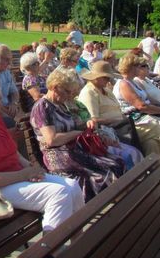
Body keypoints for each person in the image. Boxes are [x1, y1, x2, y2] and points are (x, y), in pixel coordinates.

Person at [0, 71, 84, 232]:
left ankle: (78, 241)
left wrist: (32, 168)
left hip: (15, 179)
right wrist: (23, 175)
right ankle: (50, 246)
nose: (0, 98)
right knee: (59, 194)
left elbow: (13, 153)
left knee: (73, 186)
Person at [30, 67, 126, 201]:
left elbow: (76, 126)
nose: (70, 96)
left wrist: (87, 124)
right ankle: (105, 206)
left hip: (75, 150)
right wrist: (78, 133)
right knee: (105, 173)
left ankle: (120, 203)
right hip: (58, 155)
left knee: (118, 163)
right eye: (67, 91)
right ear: (55, 87)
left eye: (71, 92)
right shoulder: (42, 107)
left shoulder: (61, 104)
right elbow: (52, 140)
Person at [0, 45, 20, 125]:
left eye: (10, 59)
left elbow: (14, 92)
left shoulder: (6, 72)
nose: (9, 63)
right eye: (7, 59)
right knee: (12, 124)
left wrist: (14, 103)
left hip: (7, 109)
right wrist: (7, 113)